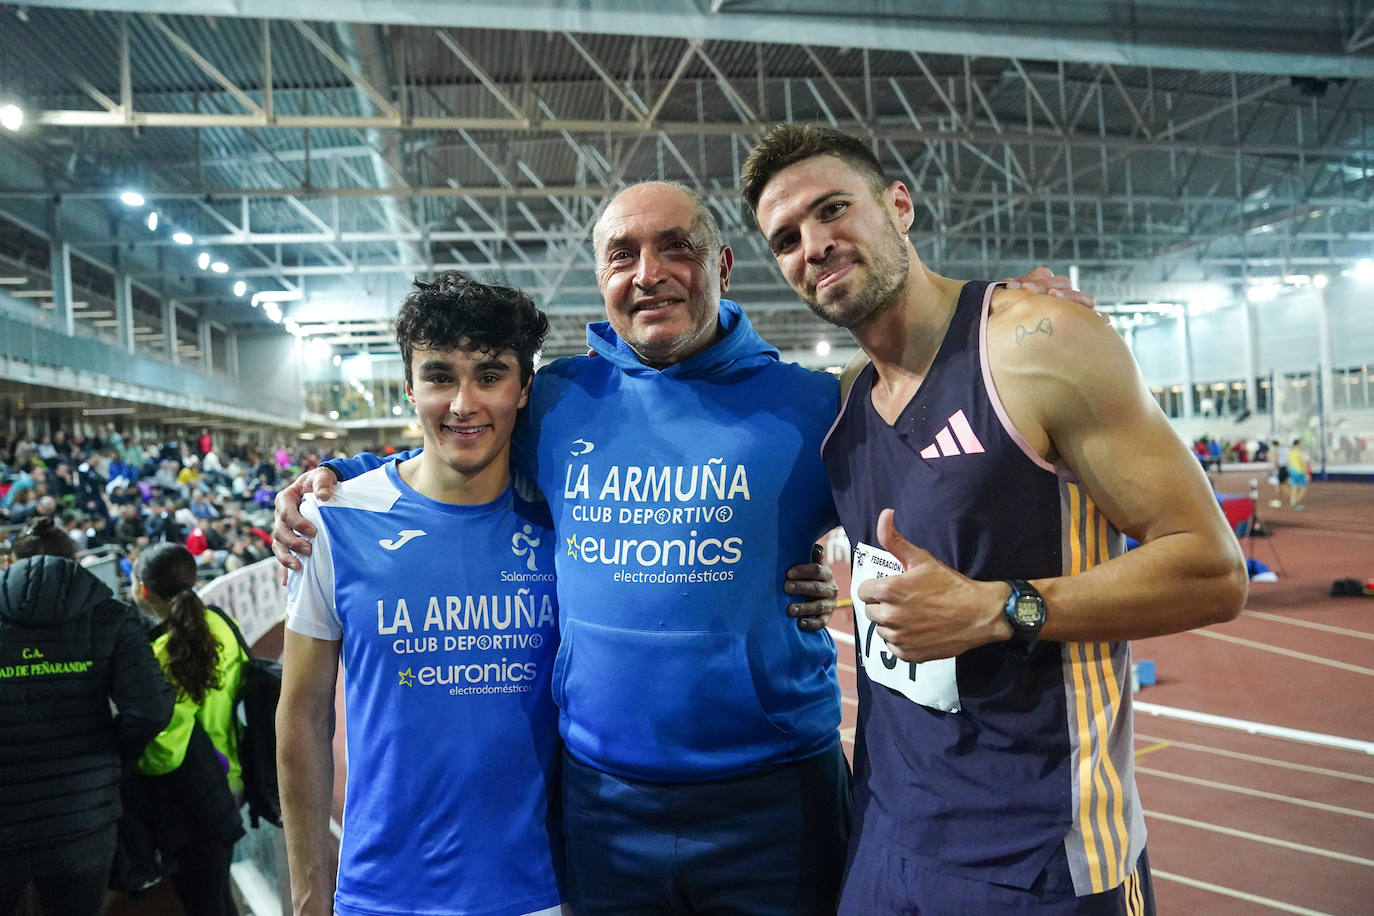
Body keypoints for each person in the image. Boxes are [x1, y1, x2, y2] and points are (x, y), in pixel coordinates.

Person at [274, 185, 1080, 912]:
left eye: (676, 248)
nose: (648, 271)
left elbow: (929, 394)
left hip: (775, 799)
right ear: (601, 278)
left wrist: (999, 319)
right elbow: (453, 441)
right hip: (601, 806)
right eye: (623, 254)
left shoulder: (812, 404)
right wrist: (330, 477)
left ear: (722, 264)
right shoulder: (557, 400)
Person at [743, 123, 1249, 914]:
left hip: (1042, 854)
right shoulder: (846, 403)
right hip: (887, 834)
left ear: (899, 204)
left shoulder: (1037, 344)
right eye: (786, 238)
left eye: (833, 208)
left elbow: (1213, 569)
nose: (814, 243)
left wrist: (995, 608)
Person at [277, 273, 567, 916]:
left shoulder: (570, 521)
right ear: (410, 387)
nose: (463, 402)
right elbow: (301, 715)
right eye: (439, 376)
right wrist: (306, 894)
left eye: (489, 375)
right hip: (382, 893)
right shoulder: (332, 519)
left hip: (540, 892)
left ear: (524, 389)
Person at [0, 517, 174, 916]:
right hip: (83, 816)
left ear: (11, 560)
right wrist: (113, 758)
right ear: (74, 560)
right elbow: (151, 710)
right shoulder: (112, 615)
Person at [132, 543, 246, 915]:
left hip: (192, 798)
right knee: (218, 895)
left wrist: (133, 760)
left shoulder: (161, 652)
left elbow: (166, 754)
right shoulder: (221, 626)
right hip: (232, 781)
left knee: (205, 902)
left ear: (143, 590)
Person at [1287, 438, 1309, 509]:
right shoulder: (1300, 452)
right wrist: (1307, 473)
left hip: (1292, 471)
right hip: (1300, 472)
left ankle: (1293, 502)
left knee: (1294, 488)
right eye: (1300, 443)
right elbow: (1303, 462)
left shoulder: (1291, 452)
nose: (1301, 445)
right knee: (1303, 489)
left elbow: (1288, 463)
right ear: (1298, 444)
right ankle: (1295, 503)